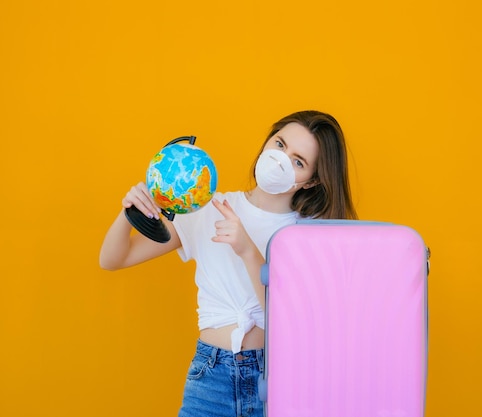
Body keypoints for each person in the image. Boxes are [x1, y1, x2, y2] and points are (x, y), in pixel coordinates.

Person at [99, 110, 357, 417]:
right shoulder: (205, 208)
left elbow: (293, 324)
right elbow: (113, 259)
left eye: (298, 161)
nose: (281, 159)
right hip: (210, 379)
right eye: (279, 144)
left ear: (312, 180)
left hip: (280, 382)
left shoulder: (310, 234)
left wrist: (249, 251)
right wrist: (128, 210)